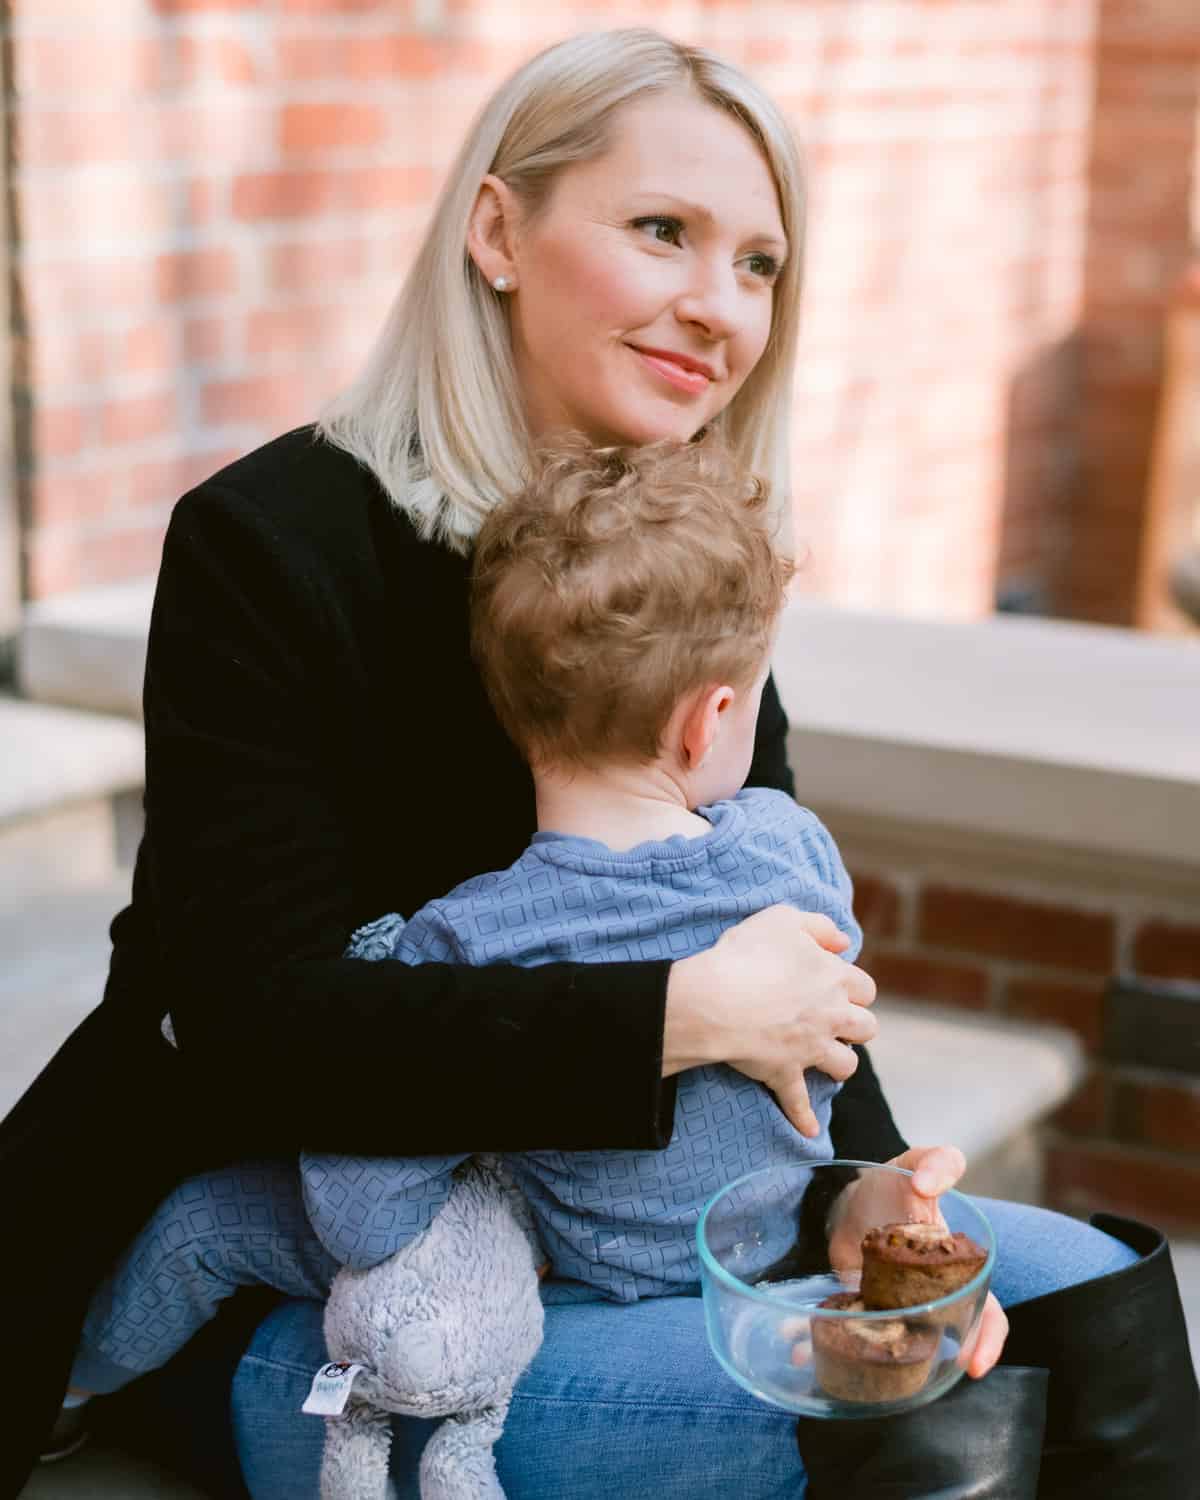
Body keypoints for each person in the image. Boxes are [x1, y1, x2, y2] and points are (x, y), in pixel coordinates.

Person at [2, 25, 1194, 1500]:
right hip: (322, 1273)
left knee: (1090, 1299)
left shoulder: (674, 563)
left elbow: (777, 941)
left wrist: (849, 1194)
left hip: (608, 1223)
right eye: (662, 233)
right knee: (920, 1423)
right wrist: (674, 1017)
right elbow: (262, 1025)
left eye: (759, 263)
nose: (720, 306)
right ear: (498, 232)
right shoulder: (273, 544)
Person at [61, 436, 858, 1462]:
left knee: (201, 1222)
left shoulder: (464, 939)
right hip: (769, 1256)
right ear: (709, 722)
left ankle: (74, 1383)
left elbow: (362, 1213)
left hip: (576, 1290)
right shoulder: (794, 856)